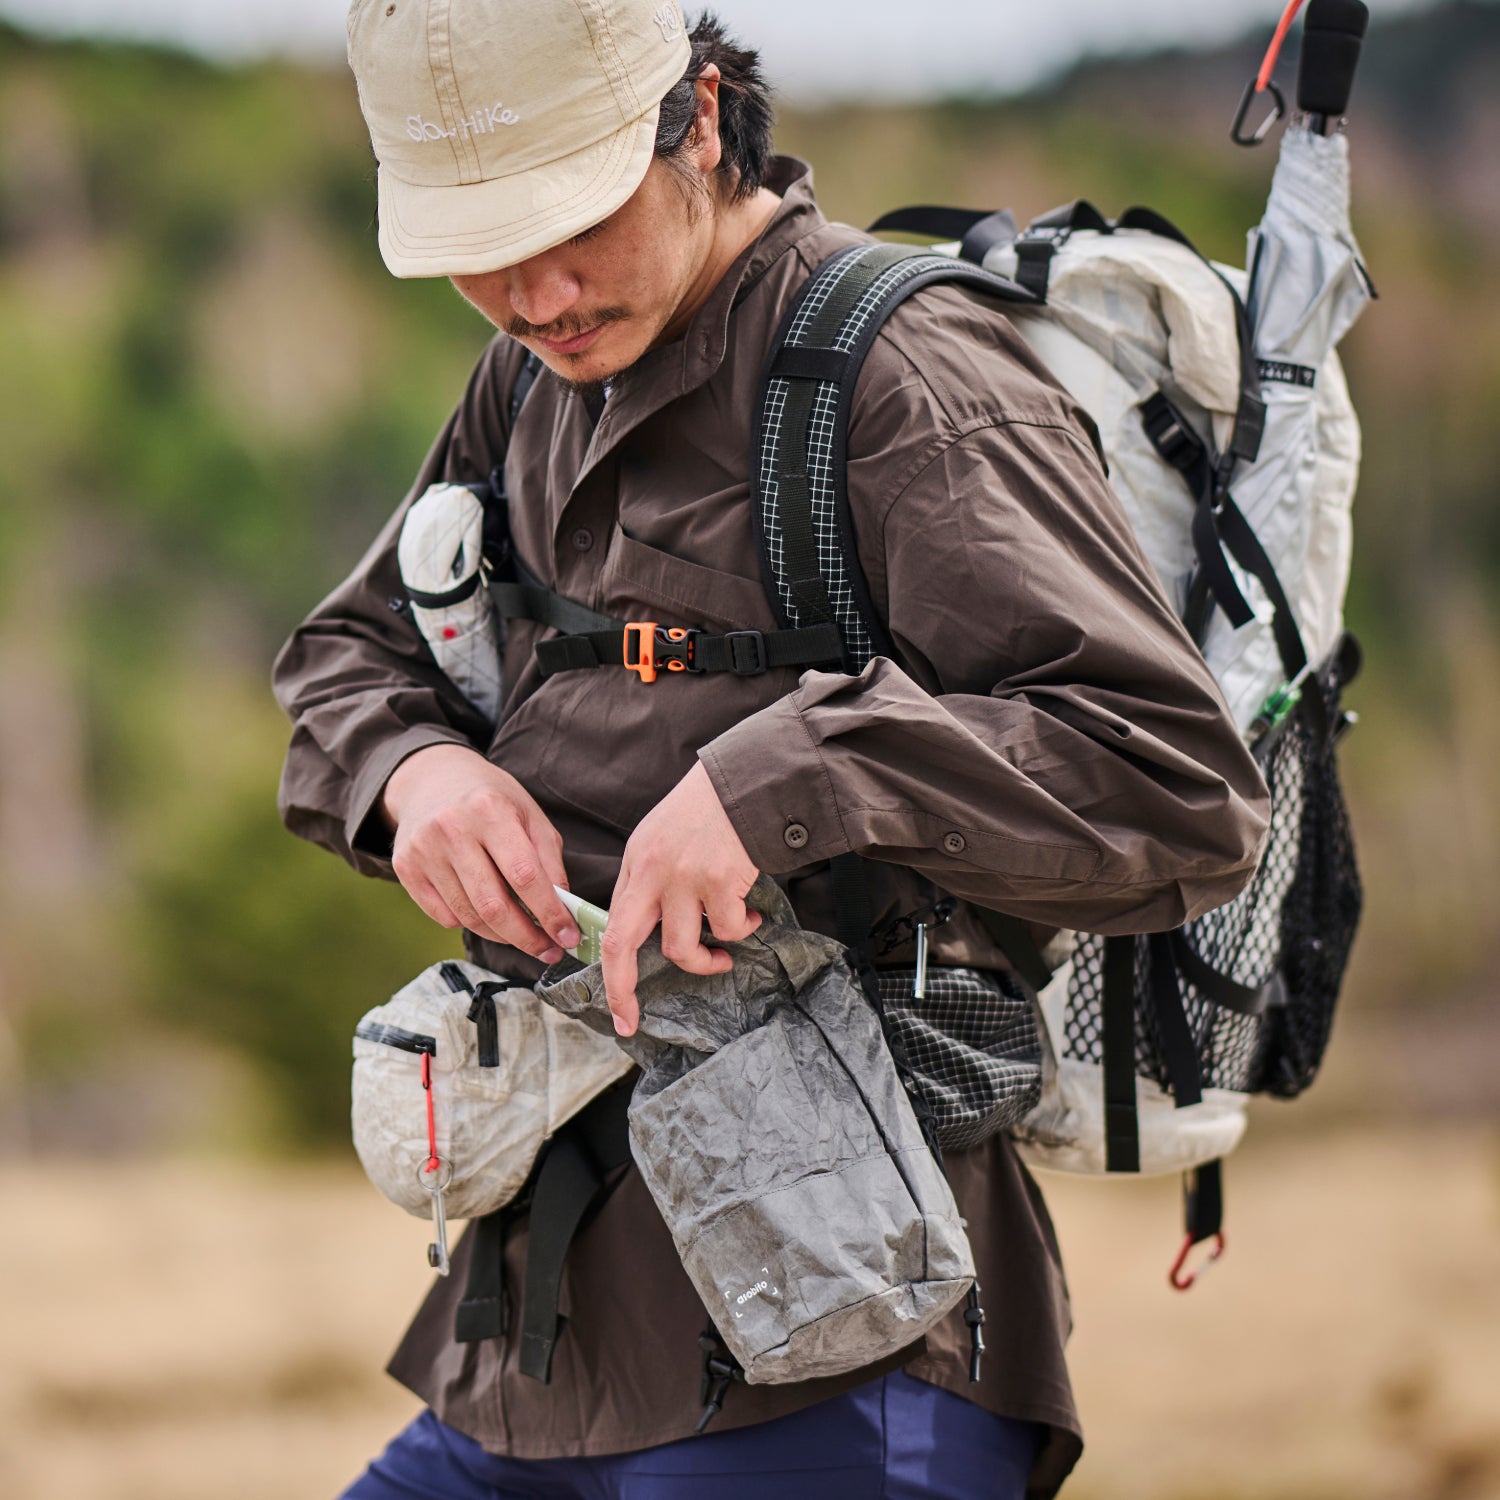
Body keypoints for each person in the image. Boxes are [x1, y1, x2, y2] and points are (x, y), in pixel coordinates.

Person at [274, 3, 1270, 1496]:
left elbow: (1176, 780)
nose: (534, 292)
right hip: (533, 1345)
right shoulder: (533, 375)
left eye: (570, 223)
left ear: (701, 118)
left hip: (840, 1354)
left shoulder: (909, 380)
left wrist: (783, 782)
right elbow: (345, 659)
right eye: (479, 246)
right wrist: (418, 771)